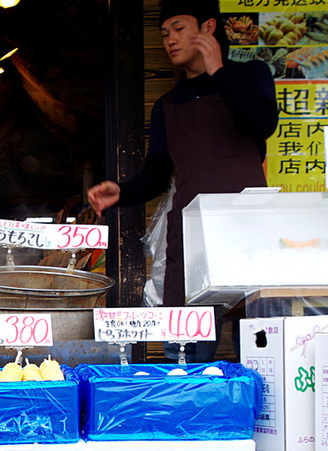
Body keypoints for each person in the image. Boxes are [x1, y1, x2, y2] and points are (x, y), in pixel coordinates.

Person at [87, 0, 278, 308]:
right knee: (186, 345)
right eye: (164, 34)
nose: (170, 41)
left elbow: (263, 123)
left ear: (208, 28)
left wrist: (218, 70)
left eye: (178, 29)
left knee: (254, 332)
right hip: (192, 236)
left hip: (248, 227)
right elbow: (156, 176)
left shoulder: (251, 75)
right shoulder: (167, 105)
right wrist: (120, 192)